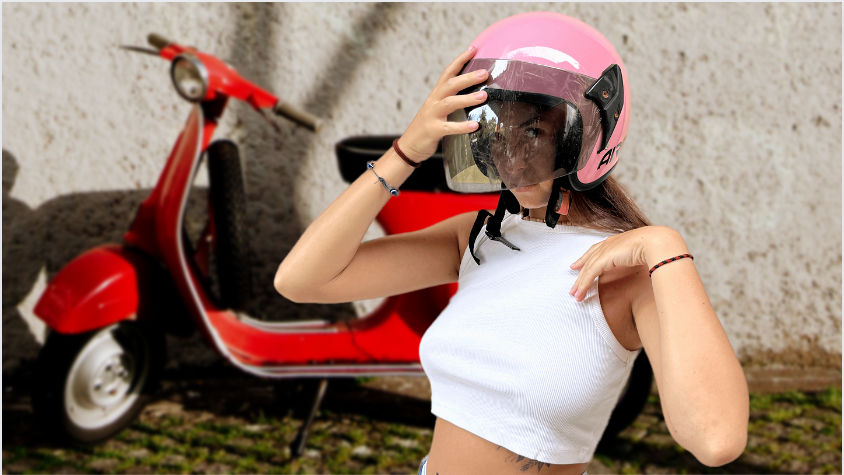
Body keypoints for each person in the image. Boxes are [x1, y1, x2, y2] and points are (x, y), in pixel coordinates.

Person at [275, 11, 748, 475]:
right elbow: (302, 281)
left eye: (535, 132)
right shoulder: (478, 237)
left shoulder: (629, 269)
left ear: (590, 133)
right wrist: (407, 151)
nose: (512, 160)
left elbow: (716, 439)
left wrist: (667, 248)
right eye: (495, 133)